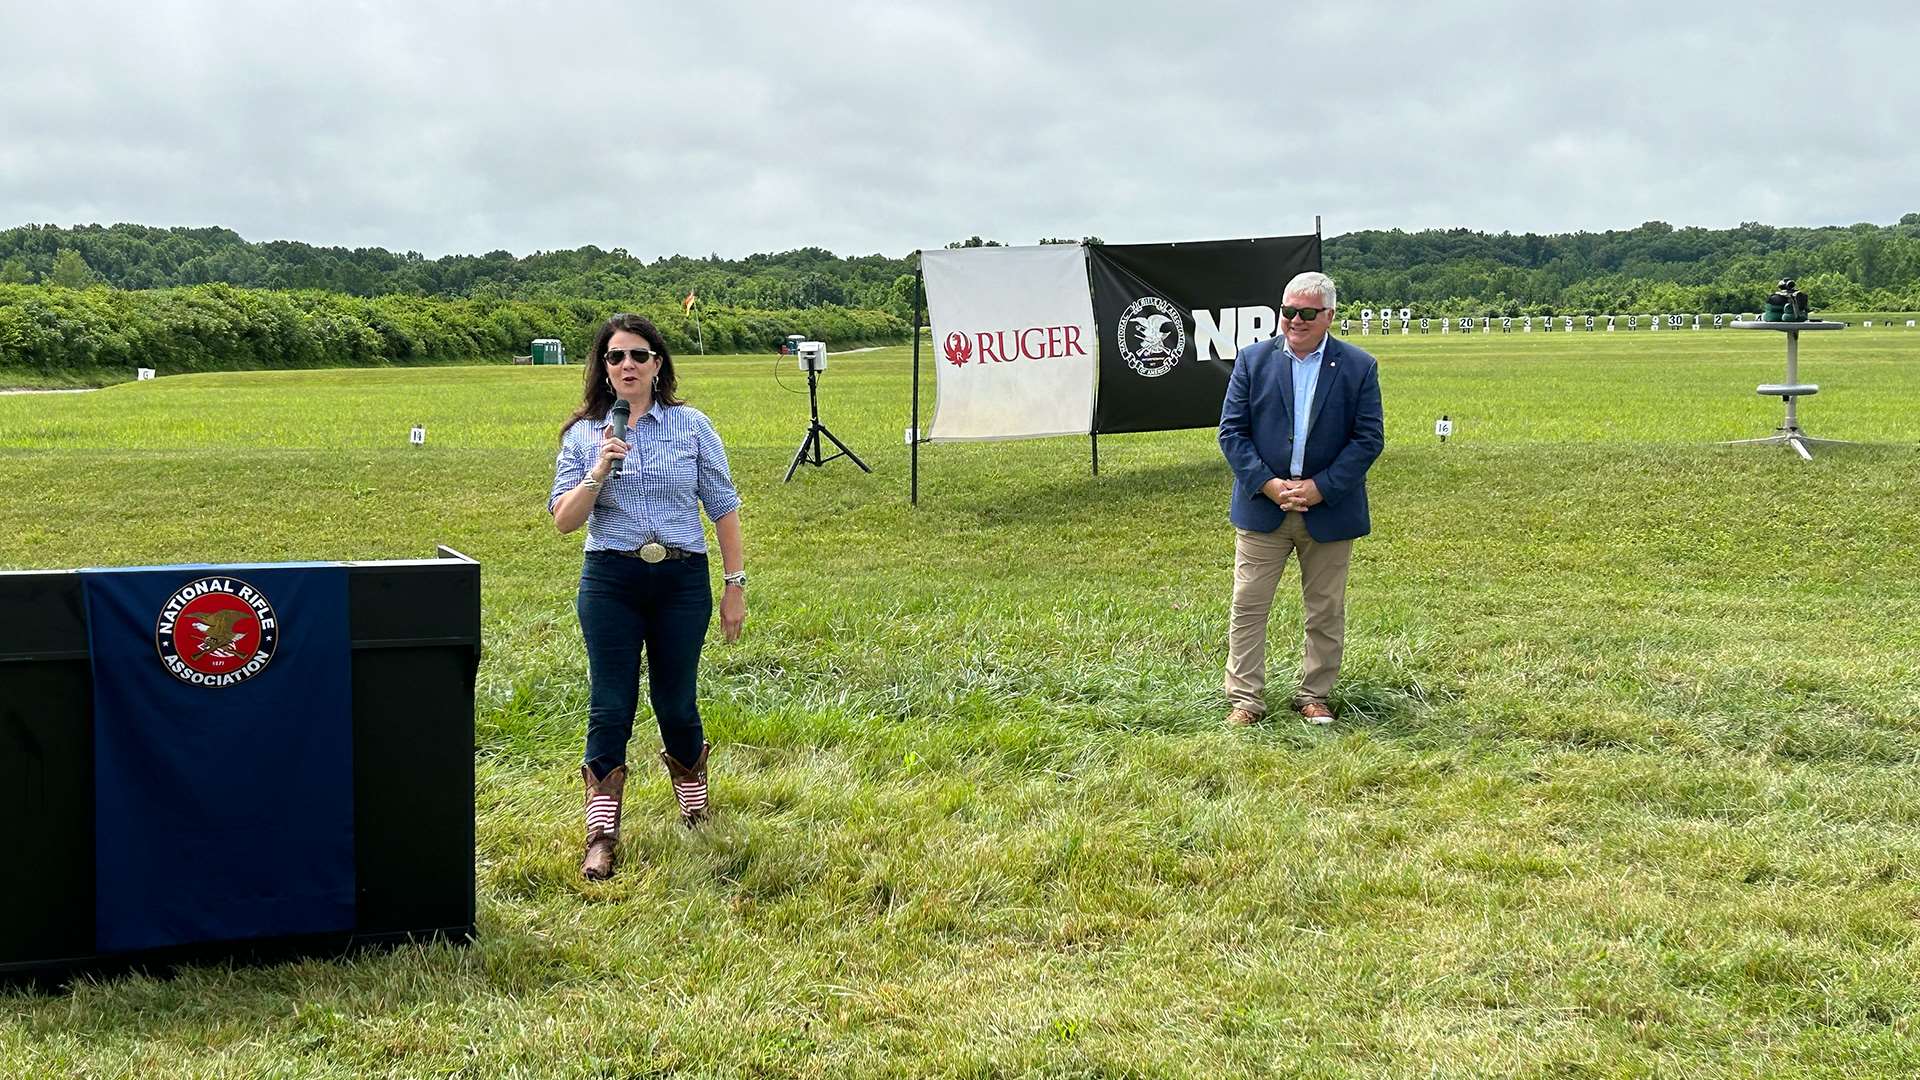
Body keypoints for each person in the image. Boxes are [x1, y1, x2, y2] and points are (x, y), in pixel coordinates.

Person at [548, 313, 747, 881]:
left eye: (639, 355)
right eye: (616, 357)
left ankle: (694, 807)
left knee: (675, 700)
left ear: (658, 364)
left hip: (682, 582)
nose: (628, 366)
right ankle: (602, 833)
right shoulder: (585, 434)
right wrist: (598, 471)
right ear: (603, 369)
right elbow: (564, 521)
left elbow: (724, 507)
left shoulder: (691, 426)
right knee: (611, 703)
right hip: (611, 579)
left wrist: (735, 586)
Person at [1217, 271, 1383, 727]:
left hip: (1328, 511)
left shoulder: (1359, 366)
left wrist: (1320, 487)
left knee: (1325, 609)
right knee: (1249, 606)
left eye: (1306, 313)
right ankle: (1246, 700)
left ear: (1328, 316)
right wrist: (1270, 485)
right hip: (1263, 507)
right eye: (1288, 311)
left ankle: (1314, 694)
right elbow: (1232, 433)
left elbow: (1368, 440)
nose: (1294, 320)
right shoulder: (1252, 361)